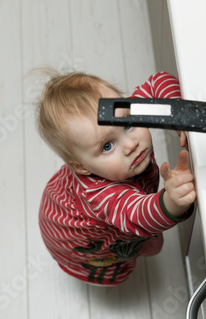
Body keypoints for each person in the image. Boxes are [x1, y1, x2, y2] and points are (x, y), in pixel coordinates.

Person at [35, 69, 196, 286]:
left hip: (66, 196)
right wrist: (171, 202)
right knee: (115, 258)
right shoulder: (100, 195)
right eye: (107, 146)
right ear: (81, 167)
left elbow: (159, 82)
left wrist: (178, 113)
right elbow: (138, 214)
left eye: (127, 124)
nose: (131, 145)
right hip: (79, 238)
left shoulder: (122, 113)